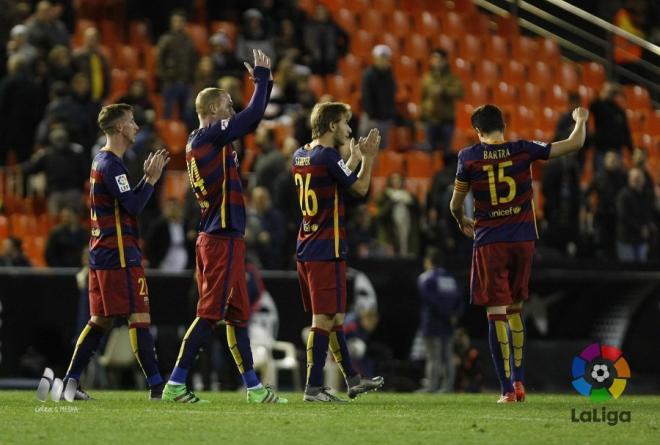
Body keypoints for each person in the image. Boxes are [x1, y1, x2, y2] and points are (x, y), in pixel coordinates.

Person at [162, 49, 286, 404]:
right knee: (210, 313)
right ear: (214, 111)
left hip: (222, 235)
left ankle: (253, 387)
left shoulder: (204, 142)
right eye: (228, 105)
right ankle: (176, 382)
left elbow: (246, 120)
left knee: (236, 316)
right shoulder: (207, 137)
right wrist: (263, 79)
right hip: (219, 237)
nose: (232, 110)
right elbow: (252, 117)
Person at [449, 104, 589, 403]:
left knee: (495, 313)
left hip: (490, 242)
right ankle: (521, 381)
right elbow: (575, 143)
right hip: (524, 239)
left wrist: (461, 220)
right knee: (515, 309)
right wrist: (579, 121)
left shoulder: (468, 156)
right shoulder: (523, 149)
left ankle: (506, 389)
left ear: (477, 130)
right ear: (504, 124)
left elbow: (455, 204)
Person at [57, 103, 170, 401]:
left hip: (102, 253)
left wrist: (142, 181)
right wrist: (150, 180)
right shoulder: (111, 165)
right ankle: (158, 386)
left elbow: (123, 203)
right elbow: (133, 206)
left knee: (101, 320)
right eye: (132, 122)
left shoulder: (100, 162)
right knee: (139, 316)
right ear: (119, 127)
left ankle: (69, 382)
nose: (135, 127)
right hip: (119, 254)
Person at [292, 101, 384, 402]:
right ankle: (313, 387)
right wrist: (367, 159)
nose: (349, 129)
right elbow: (358, 190)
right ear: (332, 126)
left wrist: (354, 160)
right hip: (325, 248)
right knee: (323, 320)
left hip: (307, 245)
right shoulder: (328, 156)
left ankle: (352, 379)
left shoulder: (301, 154)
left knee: (335, 318)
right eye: (346, 123)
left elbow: (336, 179)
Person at [416, 248, 463, 393]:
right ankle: (447, 387)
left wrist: (445, 314)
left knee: (433, 357)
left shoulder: (426, 278)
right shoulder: (450, 278)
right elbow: (460, 299)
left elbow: (430, 300)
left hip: (433, 322)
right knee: (447, 356)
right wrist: (454, 315)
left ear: (429, 261)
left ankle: (432, 385)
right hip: (449, 322)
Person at [421, 48, 464, 159]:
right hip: (431, 119)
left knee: (447, 152)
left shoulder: (452, 77)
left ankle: (445, 174)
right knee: (430, 151)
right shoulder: (427, 78)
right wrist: (423, 114)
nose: (436, 62)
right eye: (434, 59)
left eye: (439, 59)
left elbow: (460, 93)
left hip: (447, 120)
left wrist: (444, 91)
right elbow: (423, 97)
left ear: (445, 61)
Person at [360, 45, 396, 149]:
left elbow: (391, 97)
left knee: (382, 149)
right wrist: (371, 115)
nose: (383, 61)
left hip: (385, 119)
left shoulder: (390, 76)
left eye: (385, 58)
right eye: (381, 58)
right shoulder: (368, 75)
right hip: (372, 119)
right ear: (375, 59)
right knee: (367, 149)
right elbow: (366, 97)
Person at [616, 167, 654, 263]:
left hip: (641, 240)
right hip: (626, 239)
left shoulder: (647, 195)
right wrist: (641, 228)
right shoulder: (623, 195)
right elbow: (623, 216)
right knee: (628, 273)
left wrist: (648, 226)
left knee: (642, 271)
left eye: (638, 177)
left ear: (643, 179)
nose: (636, 180)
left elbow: (648, 213)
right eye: (633, 177)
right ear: (629, 179)